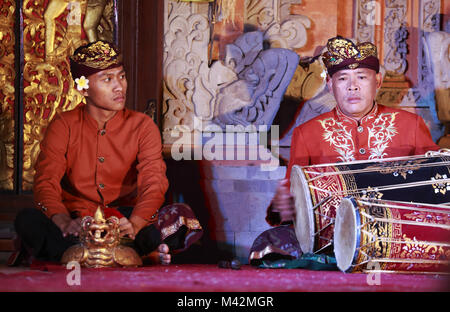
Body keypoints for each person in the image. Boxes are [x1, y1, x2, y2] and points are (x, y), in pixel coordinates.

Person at [249, 36, 440, 265]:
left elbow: (437, 183)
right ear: (330, 85)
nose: (353, 86)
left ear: (377, 81)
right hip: (329, 238)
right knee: (269, 241)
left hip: (397, 234)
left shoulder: (411, 125)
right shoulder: (307, 133)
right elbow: (292, 197)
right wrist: (285, 207)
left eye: (362, 77)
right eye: (342, 79)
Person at [12, 40, 203, 266]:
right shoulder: (63, 124)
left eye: (121, 76)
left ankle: (87, 254)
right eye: (107, 79)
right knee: (27, 220)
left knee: (179, 216)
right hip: (79, 222)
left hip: (124, 221)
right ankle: (129, 255)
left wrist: (136, 222)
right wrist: (64, 222)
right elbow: (46, 181)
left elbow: (154, 182)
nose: (119, 87)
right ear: (83, 87)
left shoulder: (142, 126)